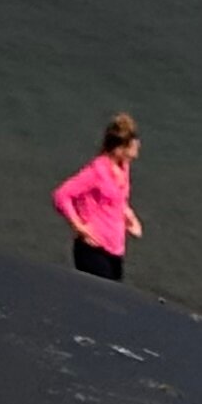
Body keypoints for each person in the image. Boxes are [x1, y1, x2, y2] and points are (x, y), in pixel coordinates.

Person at [52, 112, 143, 279]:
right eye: (133, 147)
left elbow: (118, 200)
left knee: (114, 296)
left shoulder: (124, 168)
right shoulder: (96, 172)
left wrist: (130, 217)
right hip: (93, 249)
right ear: (120, 148)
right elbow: (62, 195)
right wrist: (79, 227)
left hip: (115, 249)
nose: (137, 151)